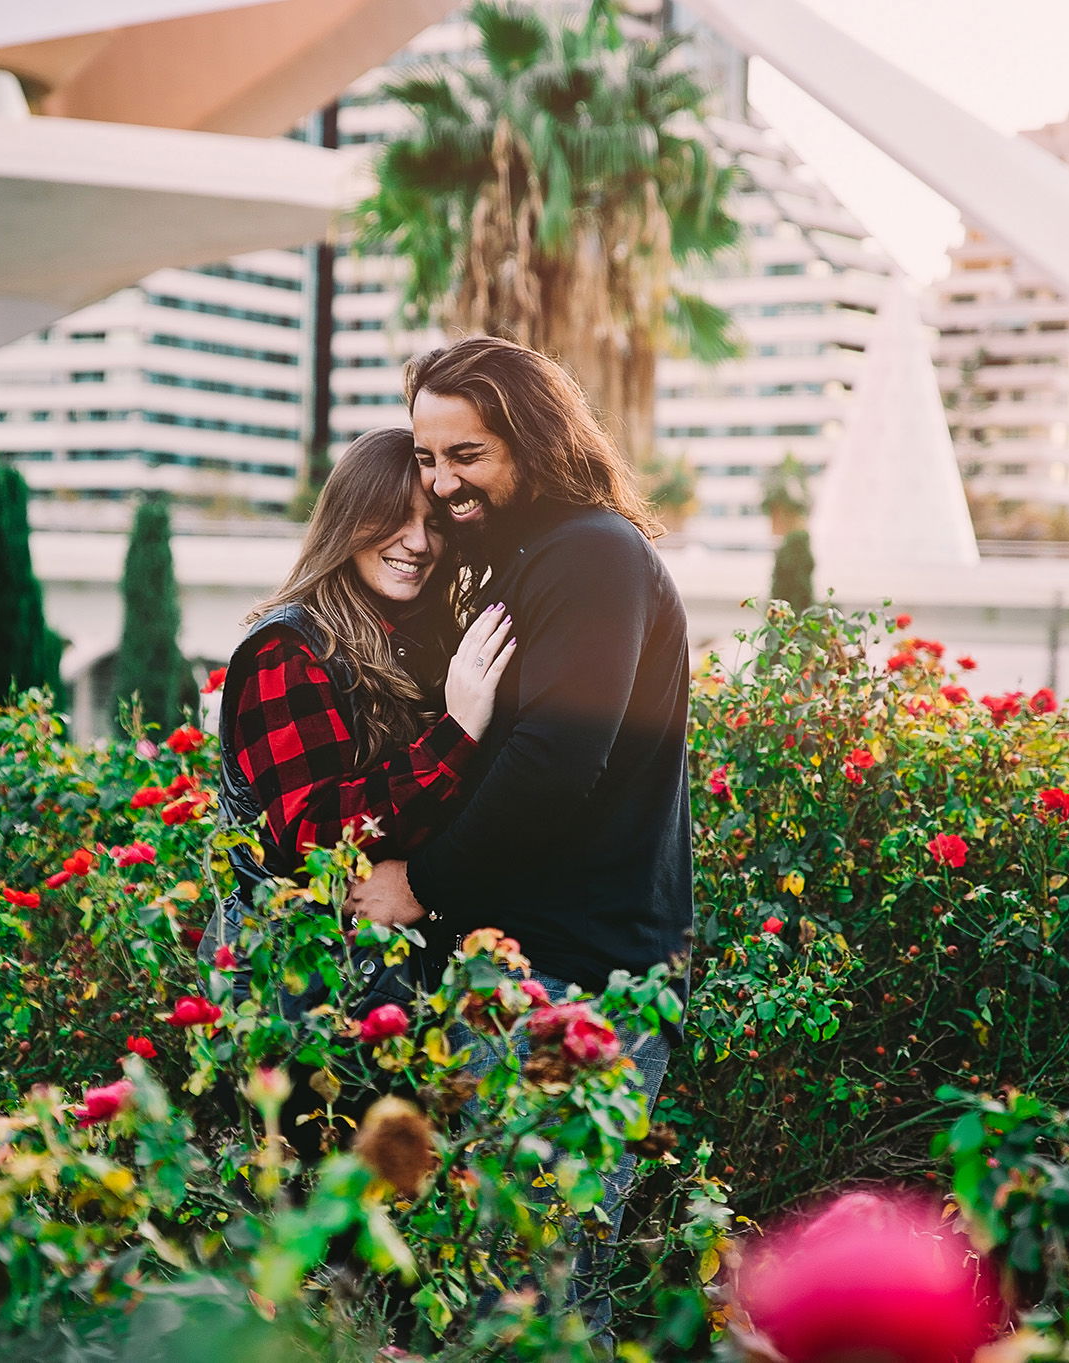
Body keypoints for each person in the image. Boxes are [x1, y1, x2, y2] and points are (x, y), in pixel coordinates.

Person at [344, 336, 696, 1339]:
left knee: (537, 1285)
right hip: (519, 967)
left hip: (582, 976)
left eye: (469, 455)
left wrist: (423, 881)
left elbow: (555, 758)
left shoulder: (591, 552)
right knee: (493, 1276)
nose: (442, 480)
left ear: (532, 442)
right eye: (426, 455)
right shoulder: (523, 556)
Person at [206, 425, 517, 1036]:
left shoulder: (424, 643)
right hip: (294, 987)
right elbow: (313, 834)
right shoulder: (289, 650)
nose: (418, 543)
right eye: (394, 519)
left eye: (434, 523)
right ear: (348, 521)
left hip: (387, 982)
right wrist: (457, 732)